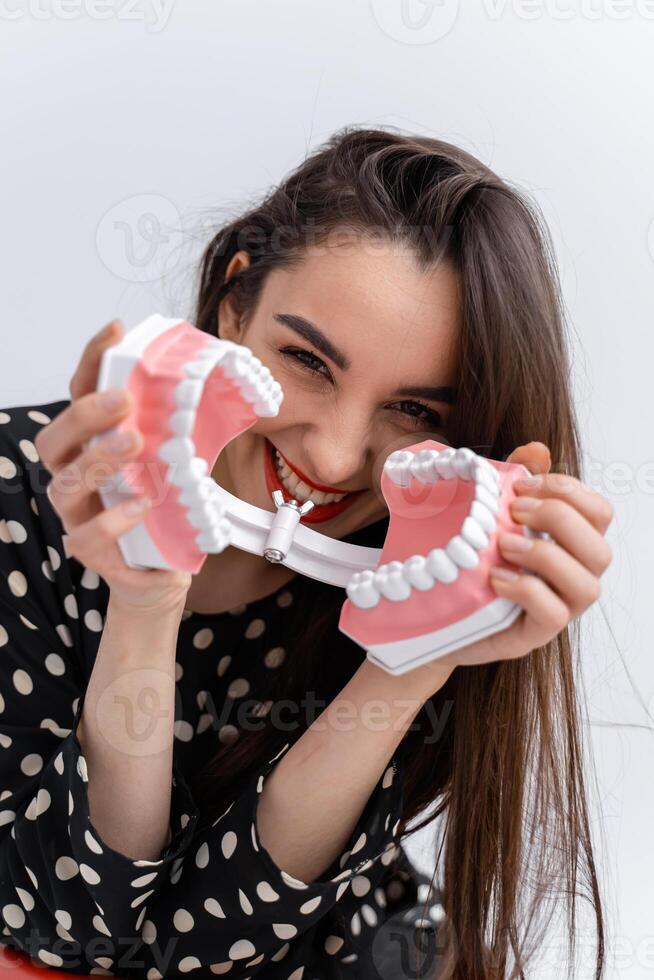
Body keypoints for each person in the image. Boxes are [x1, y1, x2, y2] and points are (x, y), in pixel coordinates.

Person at [0, 126, 613, 979]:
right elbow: (69, 926)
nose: (331, 458)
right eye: (306, 361)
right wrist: (145, 605)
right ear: (231, 302)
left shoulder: (404, 566)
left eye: (416, 413)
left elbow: (212, 947)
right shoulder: (15, 498)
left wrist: (408, 667)